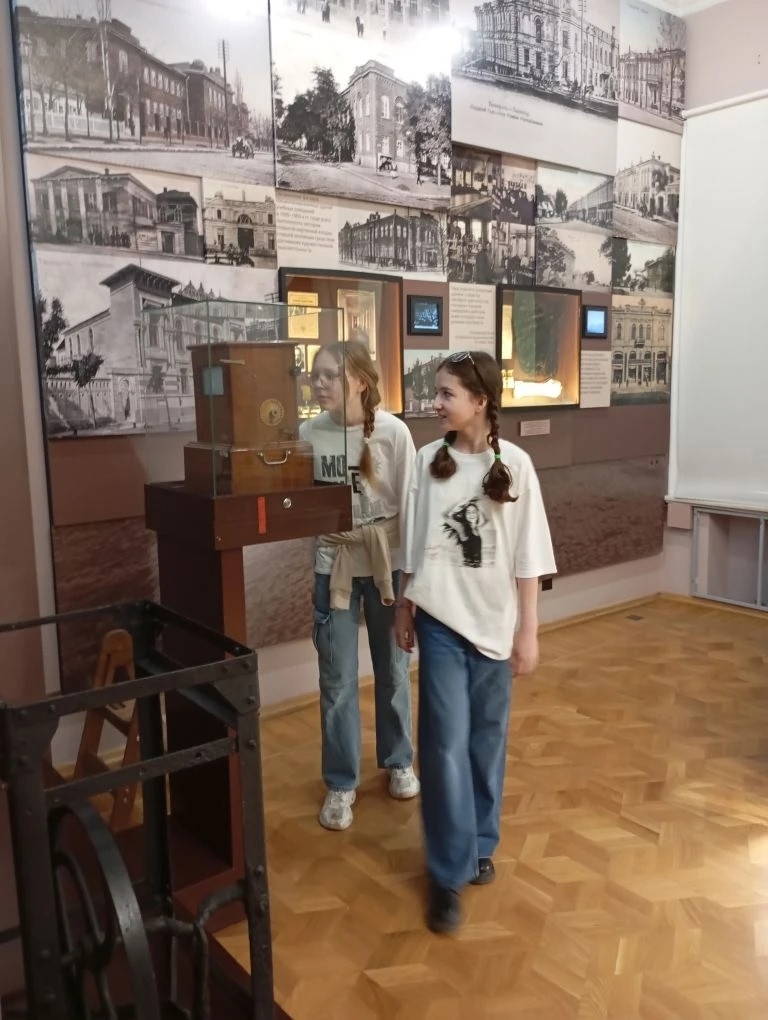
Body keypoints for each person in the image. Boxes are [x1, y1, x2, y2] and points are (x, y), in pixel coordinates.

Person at [394, 350, 556, 934]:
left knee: (487, 742)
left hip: (494, 625)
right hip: (439, 621)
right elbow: (411, 541)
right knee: (442, 746)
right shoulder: (426, 461)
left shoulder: (516, 466)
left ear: (480, 401)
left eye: (446, 394)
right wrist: (404, 605)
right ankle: (447, 873)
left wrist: (528, 632)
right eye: (436, 393)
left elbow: (528, 557)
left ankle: (481, 843)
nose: (435, 403)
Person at [300, 341, 420, 831]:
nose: (319, 383)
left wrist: (410, 583)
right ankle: (340, 781)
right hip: (334, 563)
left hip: (386, 562)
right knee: (337, 678)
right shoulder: (308, 433)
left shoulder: (393, 433)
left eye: (330, 375)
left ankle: (399, 759)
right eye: (315, 375)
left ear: (360, 382)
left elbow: (411, 508)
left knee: (393, 669)